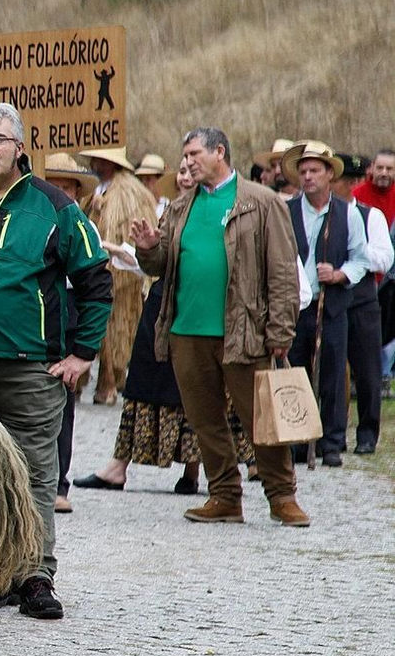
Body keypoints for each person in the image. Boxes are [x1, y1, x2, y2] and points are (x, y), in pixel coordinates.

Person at [0, 109, 110, 619]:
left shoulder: (55, 207)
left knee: (33, 472)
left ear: (19, 146)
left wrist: (82, 352)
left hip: (32, 368)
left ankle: (36, 576)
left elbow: (96, 282)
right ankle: (4, 570)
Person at [128, 127, 309, 526]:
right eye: (184, 154)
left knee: (260, 419)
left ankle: (282, 496)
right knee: (204, 419)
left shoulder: (261, 202)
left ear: (219, 152)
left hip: (243, 330)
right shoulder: (179, 207)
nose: (187, 161)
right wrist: (147, 249)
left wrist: (281, 330)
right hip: (187, 331)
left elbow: (282, 270)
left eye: (194, 153)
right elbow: (161, 268)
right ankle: (225, 495)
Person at [80, 159, 257, 495]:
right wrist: (143, 249)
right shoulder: (171, 212)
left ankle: (193, 471)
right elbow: (156, 263)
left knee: (200, 388)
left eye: (193, 170)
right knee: (145, 382)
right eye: (182, 171)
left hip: (206, 307)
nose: (185, 176)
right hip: (164, 305)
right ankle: (118, 466)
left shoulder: (230, 210)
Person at [284, 141, 371, 467]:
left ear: (329, 174)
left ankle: (331, 442)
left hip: (331, 304)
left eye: (314, 171)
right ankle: (295, 440)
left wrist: (339, 274)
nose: (307, 177)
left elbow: (361, 259)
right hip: (296, 306)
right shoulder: (288, 210)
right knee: (296, 373)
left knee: (333, 372)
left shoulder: (347, 213)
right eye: (303, 171)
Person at [37, 154, 100, 515]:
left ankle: (60, 484)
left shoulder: (83, 227)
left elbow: (94, 281)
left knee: (63, 406)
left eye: (67, 187)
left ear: (77, 192)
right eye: (54, 186)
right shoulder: (31, 223)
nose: (60, 193)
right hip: (36, 324)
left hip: (68, 325)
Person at [78, 147, 159, 405]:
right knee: (99, 329)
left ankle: (111, 382)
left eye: (98, 160)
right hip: (97, 273)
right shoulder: (97, 191)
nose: (92, 163)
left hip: (120, 276)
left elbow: (125, 233)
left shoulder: (129, 193)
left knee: (115, 331)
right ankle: (99, 381)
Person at [333, 162, 393, 453]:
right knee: (330, 370)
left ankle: (367, 434)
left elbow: (384, 259)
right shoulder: (326, 215)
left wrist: (355, 251)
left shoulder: (371, 216)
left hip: (363, 299)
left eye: (342, 179)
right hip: (332, 297)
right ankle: (332, 434)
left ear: (354, 181)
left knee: (368, 371)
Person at [350, 149, 395, 390]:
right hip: (365, 279)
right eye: (380, 168)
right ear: (372, 169)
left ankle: (384, 375)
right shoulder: (357, 197)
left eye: (390, 169)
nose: (384, 173)